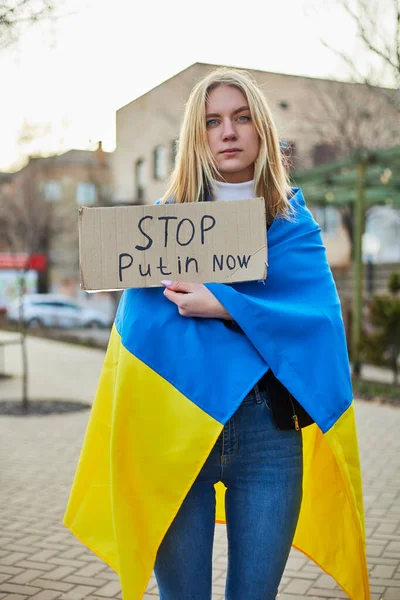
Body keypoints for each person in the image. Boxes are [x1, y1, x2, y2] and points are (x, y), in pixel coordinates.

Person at [64, 68, 370, 600]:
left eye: (241, 117)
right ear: (196, 136)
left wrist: (223, 303)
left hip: (268, 438)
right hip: (174, 436)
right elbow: (138, 335)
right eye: (212, 121)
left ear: (261, 130)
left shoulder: (293, 224)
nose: (227, 132)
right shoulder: (157, 229)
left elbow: (318, 324)